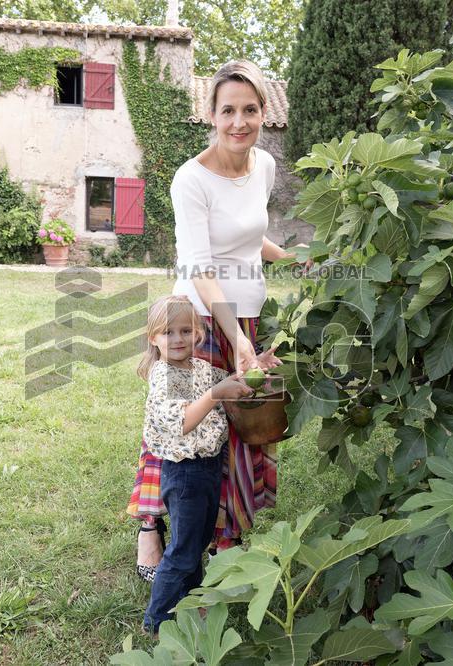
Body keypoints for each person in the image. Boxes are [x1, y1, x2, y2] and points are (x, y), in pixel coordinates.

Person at [128, 59, 305, 580]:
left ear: (263, 113)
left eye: (250, 110)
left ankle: (225, 531)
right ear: (211, 113)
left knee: (240, 423)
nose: (239, 122)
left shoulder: (264, 167)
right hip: (199, 320)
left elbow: (251, 239)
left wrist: (293, 258)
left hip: (246, 315)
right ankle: (149, 525)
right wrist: (233, 337)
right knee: (180, 421)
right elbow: (201, 265)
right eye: (228, 110)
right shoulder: (191, 179)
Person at [138, 295, 256, 633]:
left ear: (198, 333)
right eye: (168, 332)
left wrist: (254, 362)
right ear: (153, 337)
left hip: (206, 467)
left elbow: (229, 380)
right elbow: (183, 422)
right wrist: (218, 392)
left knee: (197, 542)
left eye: (185, 331)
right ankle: (156, 619)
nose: (177, 339)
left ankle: (190, 601)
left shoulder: (199, 367)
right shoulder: (167, 375)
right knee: (182, 551)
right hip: (184, 472)